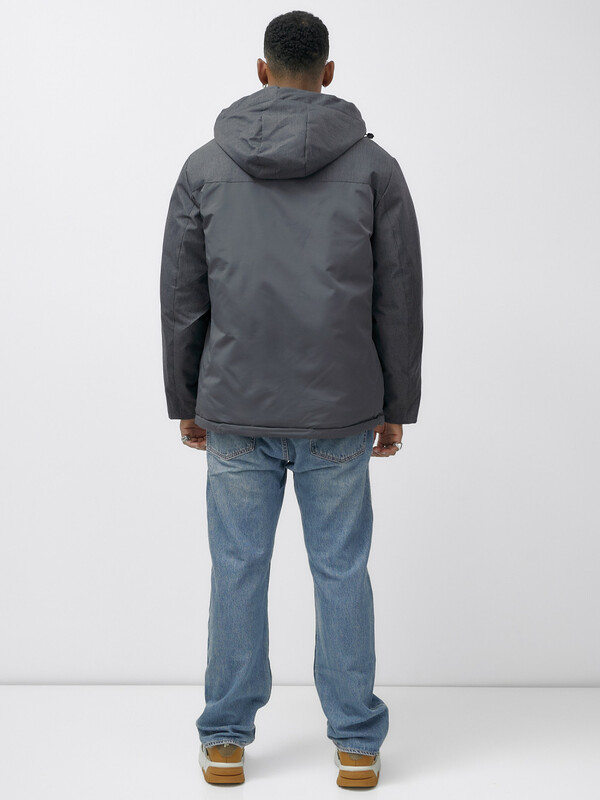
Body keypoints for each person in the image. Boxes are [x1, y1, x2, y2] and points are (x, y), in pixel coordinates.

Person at [159, 9, 423, 788]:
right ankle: (357, 746)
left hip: (235, 403)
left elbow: (183, 297)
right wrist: (396, 404)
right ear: (328, 73)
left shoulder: (205, 166)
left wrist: (186, 398)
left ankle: (225, 741)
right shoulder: (375, 169)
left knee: (237, 569)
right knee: (341, 570)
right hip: (340, 407)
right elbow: (399, 297)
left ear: (262, 70)